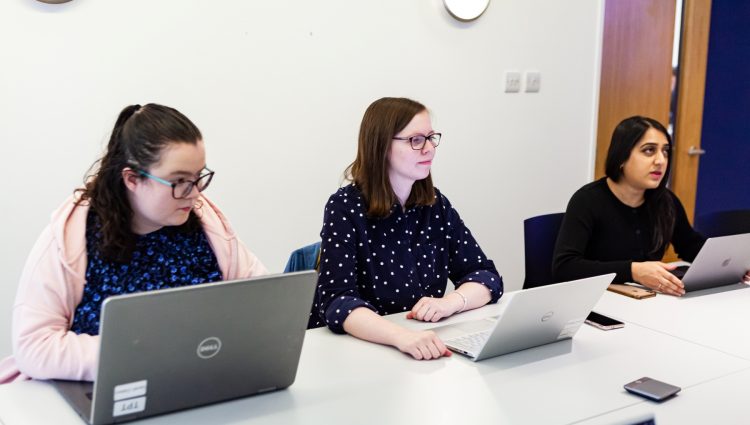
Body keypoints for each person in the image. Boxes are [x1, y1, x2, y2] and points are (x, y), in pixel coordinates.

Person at [0, 103, 267, 383]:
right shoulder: (72, 237)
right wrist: (146, 354)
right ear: (132, 179)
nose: (194, 193)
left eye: (198, 177)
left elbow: (263, 299)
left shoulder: (206, 225)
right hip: (105, 387)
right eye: (179, 181)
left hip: (194, 381)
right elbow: (35, 346)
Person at [313, 97, 503, 360]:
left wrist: (451, 303)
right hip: (361, 353)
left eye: (431, 137)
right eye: (415, 140)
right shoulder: (345, 207)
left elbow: (486, 276)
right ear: (381, 146)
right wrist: (401, 337)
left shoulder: (435, 204)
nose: (429, 149)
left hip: (423, 348)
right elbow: (337, 302)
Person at [553, 115, 750, 295]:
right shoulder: (587, 200)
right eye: (649, 151)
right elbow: (565, 267)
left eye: (665, 152)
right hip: (595, 303)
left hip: (646, 302)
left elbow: (690, 246)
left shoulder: (666, 201)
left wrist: (734, 265)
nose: (660, 161)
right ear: (621, 157)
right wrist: (633, 270)